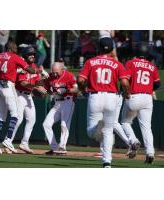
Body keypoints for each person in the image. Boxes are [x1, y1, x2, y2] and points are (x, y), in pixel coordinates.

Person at [77, 37, 130, 168]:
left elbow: (80, 80)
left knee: (91, 132)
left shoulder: (91, 62)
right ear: (112, 49)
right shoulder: (117, 64)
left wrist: (83, 89)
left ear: (98, 48)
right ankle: (107, 162)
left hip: (95, 96)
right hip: (112, 97)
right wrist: (127, 93)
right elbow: (124, 82)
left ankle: (97, 127)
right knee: (108, 131)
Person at [0, 41, 49, 154]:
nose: (16, 48)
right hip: (11, 87)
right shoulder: (16, 57)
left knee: (2, 116)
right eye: (15, 47)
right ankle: (8, 140)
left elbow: (1, 67)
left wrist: (41, 83)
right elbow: (29, 72)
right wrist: (40, 71)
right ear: (11, 47)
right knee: (16, 116)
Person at [121, 42, 161, 164]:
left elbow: (125, 80)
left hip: (134, 96)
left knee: (124, 122)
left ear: (136, 52)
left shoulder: (131, 63)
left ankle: (133, 140)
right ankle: (150, 152)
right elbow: (158, 84)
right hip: (147, 98)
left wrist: (125, 92)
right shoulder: (152, 66)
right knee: (146, 127)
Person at [10, 46, 47, 154]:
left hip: (28, 95)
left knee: (32, 119)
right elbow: (22, 82)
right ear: (25, 55)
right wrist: (35, 87)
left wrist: (42, 79)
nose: (32, 56)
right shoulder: (22, 66)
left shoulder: (35, 67)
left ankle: (24, 143)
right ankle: (9, 141)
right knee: (18, 119)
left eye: (34, 54)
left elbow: (38, 83)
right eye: (30, 54)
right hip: (19, 95)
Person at [43, 62, 78, 155]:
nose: (54, 74)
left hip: (68, 101)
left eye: (56, 72)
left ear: (62, 70)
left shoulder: (69, 75)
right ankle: (54, 147)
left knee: (64, 124)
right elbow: (47, 89)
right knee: (46, 124)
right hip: (57, 103)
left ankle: (62, 147)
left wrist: (66, 90)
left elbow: (77, 89)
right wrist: (47, 91)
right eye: (53, 72)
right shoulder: (51, 77)